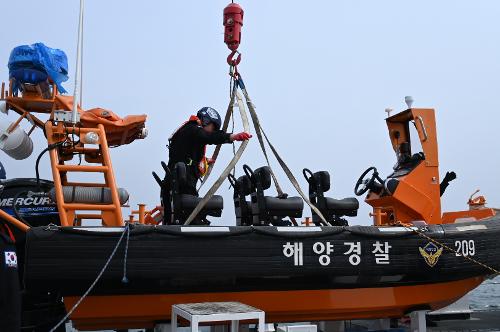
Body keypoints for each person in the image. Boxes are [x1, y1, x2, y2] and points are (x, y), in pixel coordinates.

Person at [163, 107, 251, 215]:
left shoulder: (187, 131)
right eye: (212, 127)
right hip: (183, 189)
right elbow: (208, 137)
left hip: (175, 187)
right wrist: (232, 137)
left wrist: (204, 161)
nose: (212, 131)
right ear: (206, 121)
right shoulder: (192, 129)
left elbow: (185, 155)